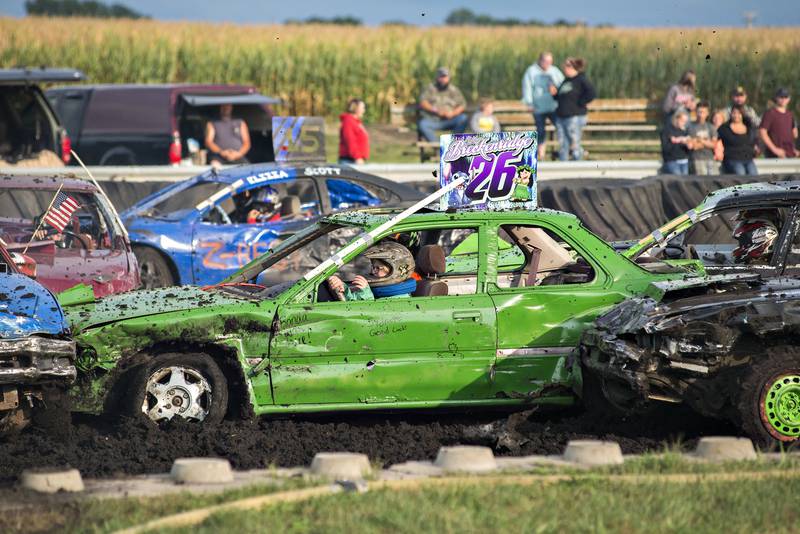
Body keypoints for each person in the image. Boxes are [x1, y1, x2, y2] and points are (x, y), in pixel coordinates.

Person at [326, 241, 417, 301]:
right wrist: (343, 288)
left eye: (378, 268)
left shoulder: (400, 300)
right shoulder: (380, 293)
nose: (373, 271)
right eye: (373, 267)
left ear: (396, 271)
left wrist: (366, 295)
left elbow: (370, 315)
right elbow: (353, 304)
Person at [550, 57, 595, 161]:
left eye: (566, 66)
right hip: (561, 116)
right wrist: (554, 94)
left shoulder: (581, 79)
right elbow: (560, 97)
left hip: (574, 116)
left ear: (572, 67)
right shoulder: (566, 81)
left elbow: (591, 94)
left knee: (574, 143)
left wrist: (580, 103)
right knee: (563, 143)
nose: (564, 68)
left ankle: (577, 164)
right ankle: (563, 165)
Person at [521, 52, 564, 160]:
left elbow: (562, 85)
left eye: (550, 61)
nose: (548, 64)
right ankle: (541, 155)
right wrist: (529, 104)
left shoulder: (554, 71)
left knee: (560, 127)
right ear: (540, 60)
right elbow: (527, 88)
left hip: (553, 107)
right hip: (538, 108)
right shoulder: (531, 71)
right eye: (546, 61)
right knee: (540, 131)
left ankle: (564, 151)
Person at [417, 67, 468, 142]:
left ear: (449, 78)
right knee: (422, 124)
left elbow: (462, 105)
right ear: (437, 77)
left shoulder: (454, 90)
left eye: (445, 77)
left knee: (463, 118)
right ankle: (438, 146)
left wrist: (453, 113)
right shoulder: (430, 88)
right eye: (441, 77)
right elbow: (423, 102)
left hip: (450, 120)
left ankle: (452, 144)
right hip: (433, 120)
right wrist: (436, 110)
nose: (443, 79)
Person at [717, 105, 758, 175]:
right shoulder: (724, 128)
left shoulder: (749, 128)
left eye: (739, 113)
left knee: (754, 174)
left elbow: (754, 142)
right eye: (734, 113)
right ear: (731, 114)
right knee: (740, 173)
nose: (736, 115)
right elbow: (717, 141)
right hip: (732, 159)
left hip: (748, 159)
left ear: (742, 114)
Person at [759, 88, 798, 159]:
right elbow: (762, 132)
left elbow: (794, 134)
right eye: (781, 97)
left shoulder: (790, 114)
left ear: (789, 99)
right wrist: (774, 149)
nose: (783, 99)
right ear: (776, 98)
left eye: (786, 97)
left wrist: (794, 149)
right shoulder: (770, 113)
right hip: (774, 155)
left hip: (790, 154)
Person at [688, 101, 719, 175]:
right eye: (699, 112)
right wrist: (708, 142)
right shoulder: (691, 127)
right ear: (696, 112)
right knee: (702, 184)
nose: (701, 114)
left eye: (703, 112)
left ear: (707, 113)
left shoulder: (711, 127)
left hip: (710, 159)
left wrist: (700, 140)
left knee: (715, 181)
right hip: (697, 159)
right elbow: (694, 146)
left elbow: (714, 145)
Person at [660, 110, 691, 175]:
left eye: (685, 121)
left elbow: (688, 147)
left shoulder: (684, 131)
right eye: (682, 121)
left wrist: (687, 144)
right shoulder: (667, 130)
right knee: (678, 179)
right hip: (672, 160)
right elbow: (665, 148)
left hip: (684, 160)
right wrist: (679, 141)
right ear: (676, 119)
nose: (684, 123)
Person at [339, 98, 369, 164]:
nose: (364, 110)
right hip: (350, 160)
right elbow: (350, 141)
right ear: (356, 108)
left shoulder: (356, 122)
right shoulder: (348, 121)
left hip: (355, 160)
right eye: (362, 108)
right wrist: (357, 157)